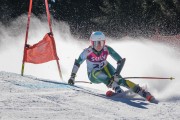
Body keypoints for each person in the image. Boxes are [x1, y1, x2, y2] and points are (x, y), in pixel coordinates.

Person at [68, 31, 156, 103]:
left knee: (120, 80)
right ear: (92, 43)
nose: (99, 46)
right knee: (97, 72)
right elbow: (77, 63)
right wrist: (72, 77)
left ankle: (142, 92)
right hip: (93, 75)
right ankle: (116, 88)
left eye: (101, 43)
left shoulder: (107, 49)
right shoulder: (87, 52)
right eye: (96, 43)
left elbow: (120, 61)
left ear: (104, 43)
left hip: (105, 68)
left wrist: (116, 74)